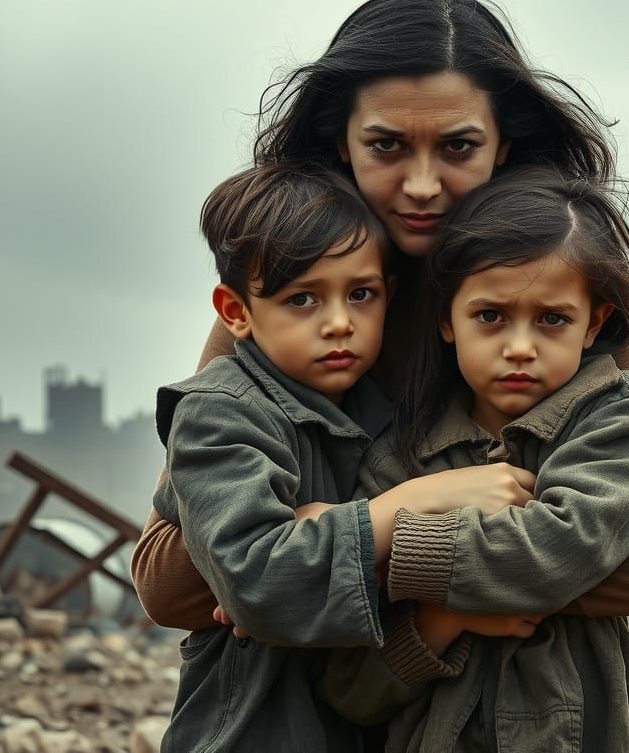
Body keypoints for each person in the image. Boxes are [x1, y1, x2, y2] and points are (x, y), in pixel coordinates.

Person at [133, 0, 629, 654]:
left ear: (504, 147)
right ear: (340, 142)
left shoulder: (568, 288)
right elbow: (170, 580)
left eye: (459, 147)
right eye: (388, 146)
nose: (424, 185)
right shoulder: (288, 293)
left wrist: (351, 550)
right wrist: (414, 512)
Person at [153, 163, 539, 751]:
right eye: (302, 298)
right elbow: (257, 584)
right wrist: (407, 503)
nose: (339, 323)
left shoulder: (391, 413)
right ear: (236, 312)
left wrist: (319, 529)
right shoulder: (220, 413)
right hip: (252, 732)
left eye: (361, 294)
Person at [315, 168, 629, 751]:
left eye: (552, 319)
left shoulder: (619, 417)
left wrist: (385, 550)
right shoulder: (396, 458)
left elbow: (556, 551)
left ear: (595, 324)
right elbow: (350, 689)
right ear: (444, 320)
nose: (519, 347)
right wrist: (443, 621)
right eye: (490, 316)